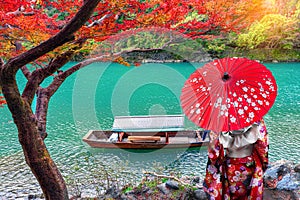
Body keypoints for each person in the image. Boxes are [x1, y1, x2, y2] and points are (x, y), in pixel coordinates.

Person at [203, 119, 269, 200]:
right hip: (249, 164)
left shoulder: (220, 119)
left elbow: (214, 150)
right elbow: (263, 146)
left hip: (230, 166)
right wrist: (263, 162)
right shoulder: (255, 118)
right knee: (249, 193)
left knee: (231, 194)